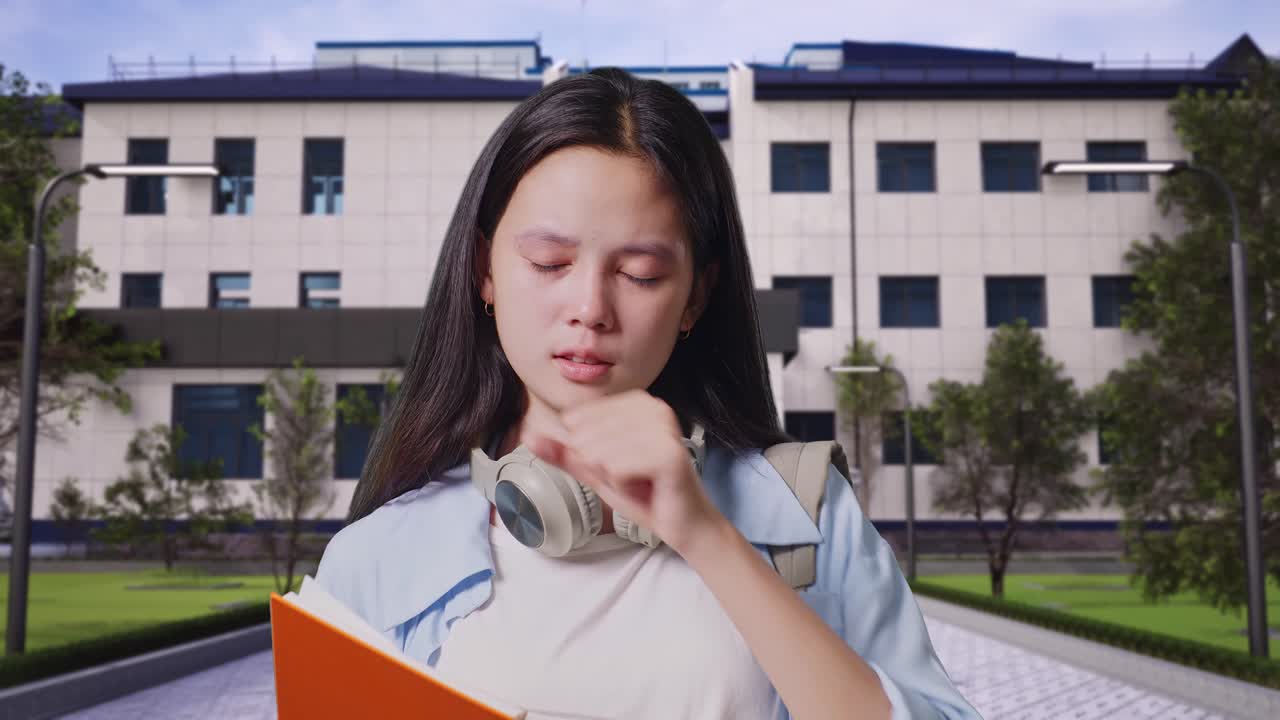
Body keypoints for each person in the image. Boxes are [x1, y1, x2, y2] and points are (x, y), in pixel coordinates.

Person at [315, 67, 982, 720]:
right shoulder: (378, 556)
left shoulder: (804, 513)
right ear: (483, 271)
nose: (590, 308)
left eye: (639, 274)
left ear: (695, 294)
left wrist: (706, 535)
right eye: (550, 263)